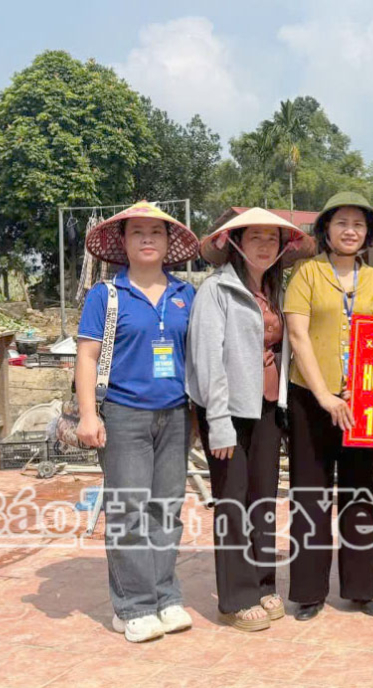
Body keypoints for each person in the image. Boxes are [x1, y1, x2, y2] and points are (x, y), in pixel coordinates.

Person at [187, 208, 315, 631]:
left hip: (265, 409)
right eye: (255, 237)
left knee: (262, 500)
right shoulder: (216, 291)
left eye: (272, 239)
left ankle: (262, 583)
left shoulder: (275, 291)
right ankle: (235, 597)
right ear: (237, 243)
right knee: (233, 501)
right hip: (226, 411)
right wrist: (218, 421)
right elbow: (208, 359)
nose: (265, 245)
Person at [76, 201, 199, 643]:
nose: (147, 238)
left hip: (175, 413)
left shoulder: (187, 294)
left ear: (169, 243)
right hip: (124, 415)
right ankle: (134, 606)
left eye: (156, 232)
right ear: (123, 243)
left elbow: (196, 360)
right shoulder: (106, 296)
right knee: (128, 512)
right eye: (138, 232)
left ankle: (165, 597)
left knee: (166, 510)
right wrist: (89, 414)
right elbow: (87, 357)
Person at [284, 191, 373, 621]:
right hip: (311, 400)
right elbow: (297, 336)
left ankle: (361, 589)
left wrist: (363, 393)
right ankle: (308, 592)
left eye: (358, 225)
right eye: (342, 223)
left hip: (360, 402)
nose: (350, 231)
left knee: (361, 493)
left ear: (368, 234)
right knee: (310, 495)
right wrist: (325, 395)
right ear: (325, 229)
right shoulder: (306, 274)